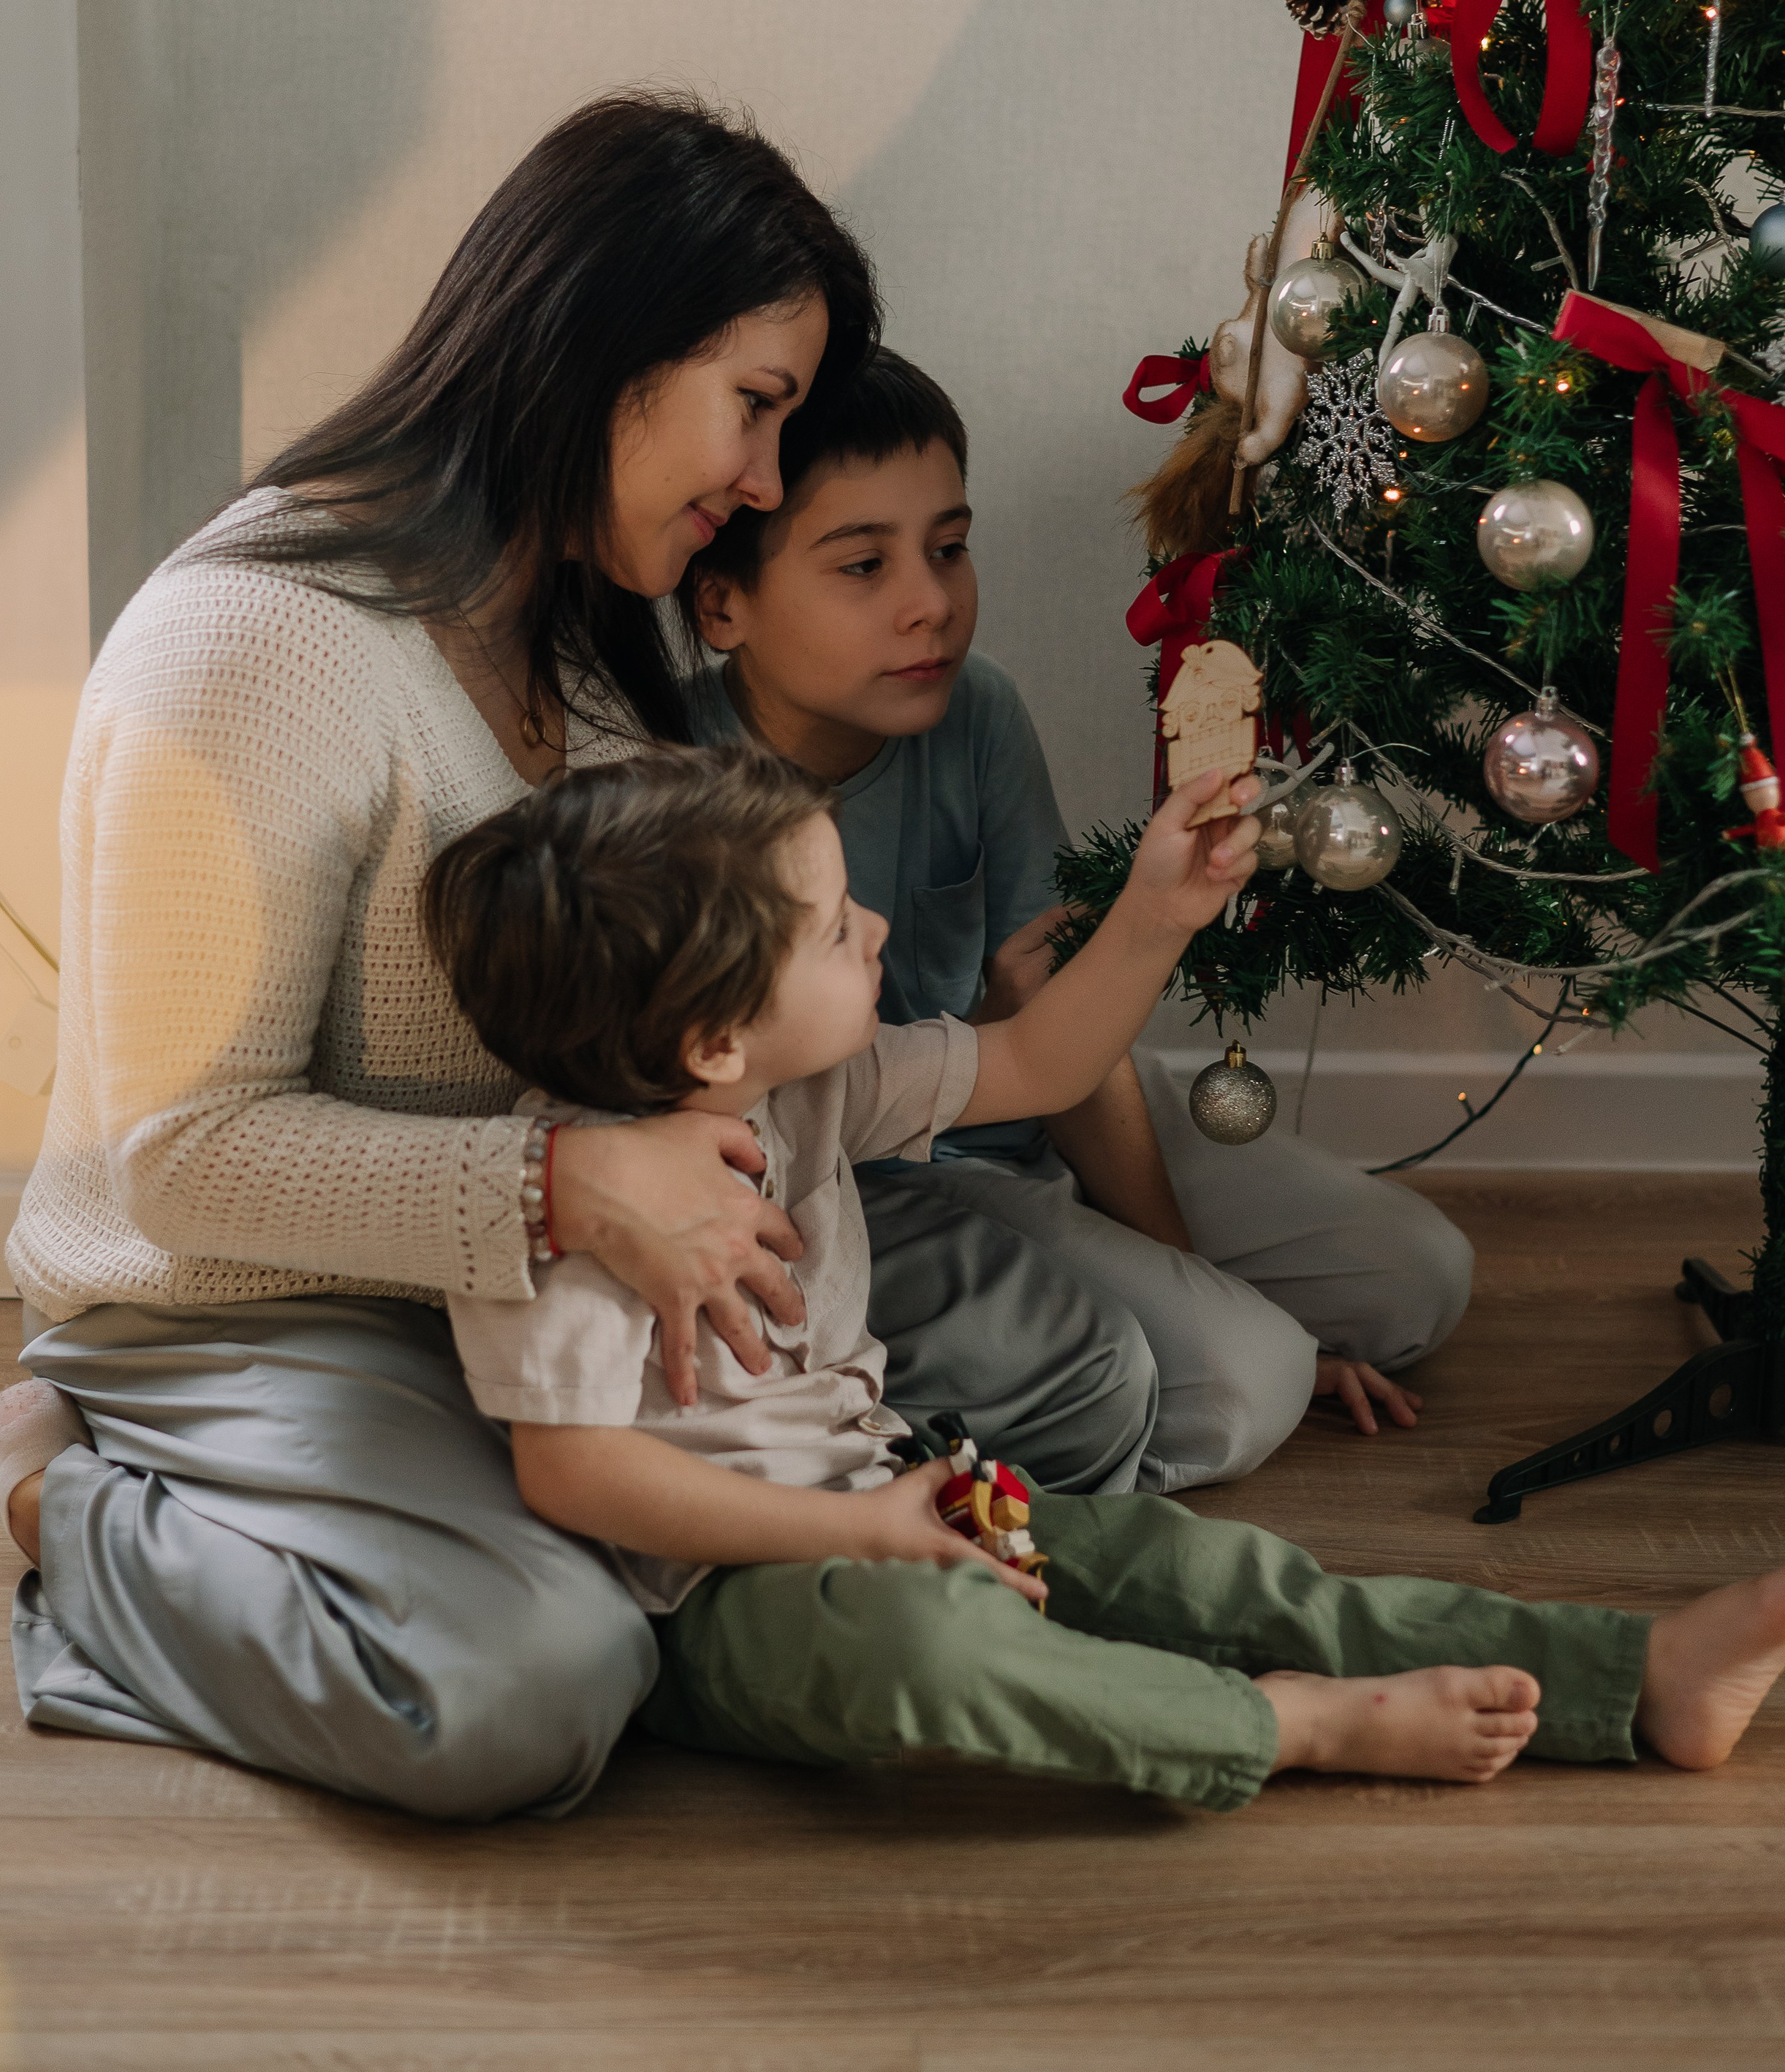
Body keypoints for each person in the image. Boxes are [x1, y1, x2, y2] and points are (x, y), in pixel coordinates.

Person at [0, 94, 1158, 1824]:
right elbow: (181, 1160)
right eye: (754, 411)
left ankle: (703, 1547)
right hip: (251, 1299)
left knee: (1112, 1373)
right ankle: (62, 1496)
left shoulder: (580, 631)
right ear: (604, 351)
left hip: (560, 1261)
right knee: (526, 1692)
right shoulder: (247, 652)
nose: (763, 482)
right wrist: (561, 1186)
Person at [429, 741, 1785, 1808]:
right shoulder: (567, 1212)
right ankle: (1284, 1728)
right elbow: (574, 1471)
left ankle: (1634, 1675)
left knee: (1193, 1568)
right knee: (942, 1656)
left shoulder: (816, 1086)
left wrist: (1156, 912)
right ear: (715, 1036)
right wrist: (864, 1533)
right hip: (734, 1598)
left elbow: (1042, 1065)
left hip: (906, 1495)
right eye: (838, 928)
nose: (881, 925)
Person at [678, 347, 1474, 1493]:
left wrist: (1194, 1276)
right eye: (864, 564)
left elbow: (1058, 1034)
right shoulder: (676, 790)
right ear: (723, 602)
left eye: (949, 548)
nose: (931, 602)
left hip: (1042, 1089)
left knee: (1419, 1279)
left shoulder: (976, 708)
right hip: (872, 1173)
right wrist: (1239, 1320)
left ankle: (1178, 1329)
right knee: (1245, 1381)